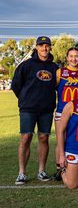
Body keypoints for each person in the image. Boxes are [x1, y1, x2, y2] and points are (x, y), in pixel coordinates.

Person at [12, 36, 59, 185]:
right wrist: (25, 99)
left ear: (50, 48)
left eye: (47, 46)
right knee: (25, 138)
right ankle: (22, 173)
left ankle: (41, 171)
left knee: (44, 138)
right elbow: (15, 85)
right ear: (36, 47)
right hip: (28, 109)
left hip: (46, 109)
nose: (44, 48)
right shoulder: (26, 65)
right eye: (41, 45)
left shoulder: (54, 67)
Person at [53, 47, 78, 180]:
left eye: (76, 56)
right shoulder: (60, 72)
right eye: (71, 56)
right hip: (62, 110)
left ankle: (77, 166)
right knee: (61, 139)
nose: (74, 59)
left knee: (77, 138)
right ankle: (60, 169)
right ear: (67, 58)